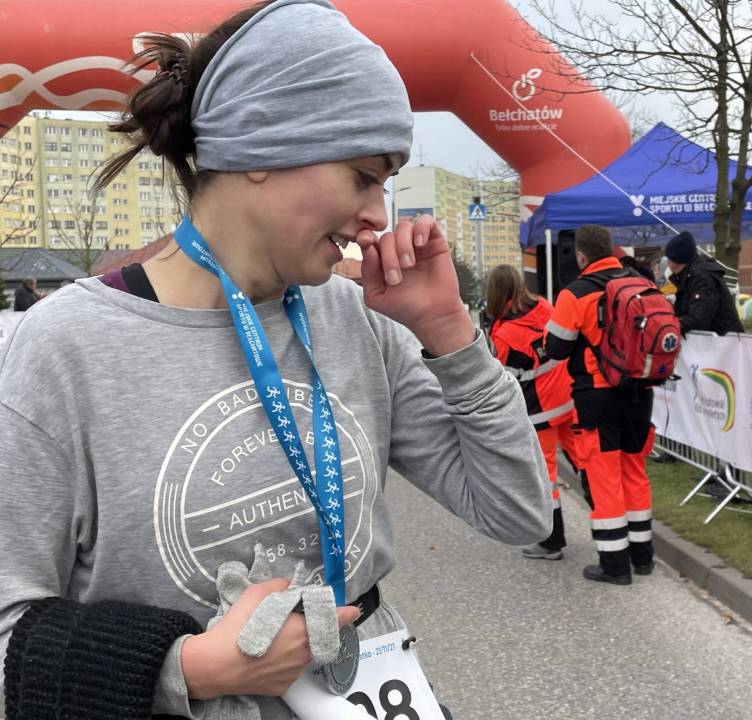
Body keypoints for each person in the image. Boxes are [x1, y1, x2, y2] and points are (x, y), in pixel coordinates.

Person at [0, 3, 551, 718]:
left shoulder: (357, 319)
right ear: (259, 142)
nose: (380, 215)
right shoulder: (64, 346)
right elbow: (9, 628)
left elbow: (520, 512)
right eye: (365, 176)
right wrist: (185, 667)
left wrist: (448, 331)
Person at [544, 224, 656, 585]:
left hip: (598, 394)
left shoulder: (576, 293)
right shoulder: (640, 283)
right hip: (640, 391)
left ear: (580, 255)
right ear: (612, 249)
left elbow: (556, 348)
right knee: (634, 471)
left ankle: (614, 564)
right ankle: (642, 557)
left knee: (604, 477)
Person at [484, 264, 579, 561]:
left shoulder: (505, 333)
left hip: (540, 410)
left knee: (545, 476)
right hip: (568, 397)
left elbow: (502, 379)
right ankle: (614, 529)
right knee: (585, 462)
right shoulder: (544, 307)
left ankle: (551, 542)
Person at [663, 231, 743, 336]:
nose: (667, 263)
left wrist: (668, 326)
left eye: (669, 258)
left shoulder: (701, 278)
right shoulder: (689, 276)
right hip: (716, 340)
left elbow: (698, 319)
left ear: (677, 260)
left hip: (724, 341)